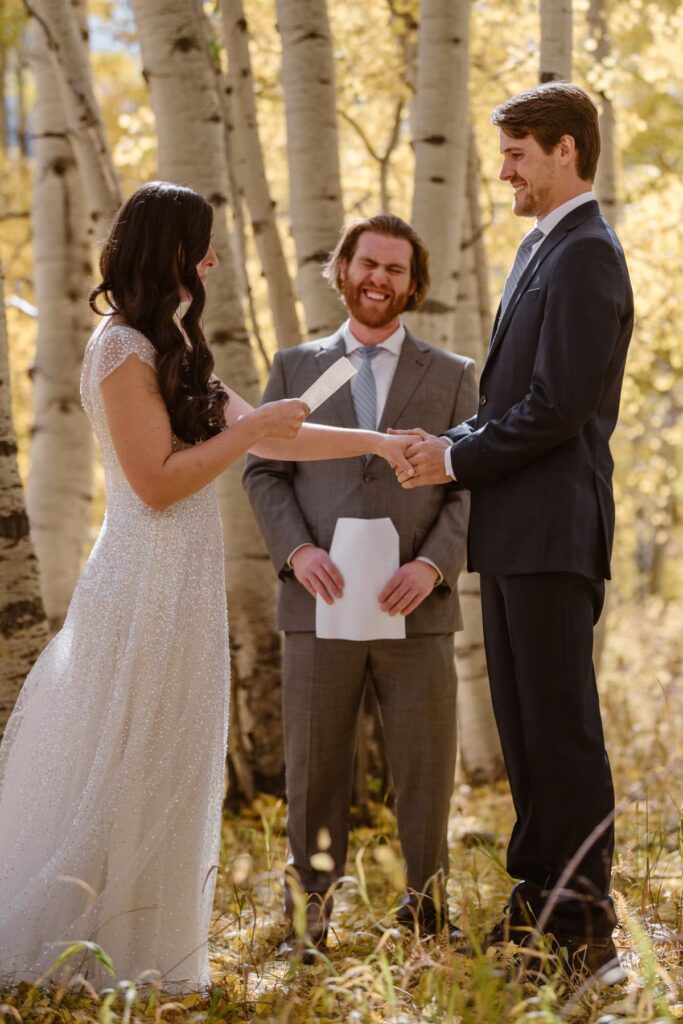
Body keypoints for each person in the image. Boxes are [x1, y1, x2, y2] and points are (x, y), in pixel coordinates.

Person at [0, 183, 414, 992]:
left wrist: (379, 442)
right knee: (127, 756)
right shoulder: (119, 349)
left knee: (175, 758)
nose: (214, 260)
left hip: (187, 582)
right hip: (141, 575)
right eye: (203, 246)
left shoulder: (175, 349)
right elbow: (155, 483)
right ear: (169, 252)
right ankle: (76, 947)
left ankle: (145, 952)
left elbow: (278, 435)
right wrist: (251, 434)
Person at [396, 83, 634, 981]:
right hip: (517, 534)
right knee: (527, 732)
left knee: (560, 732)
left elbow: (555, 409)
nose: (502, 172)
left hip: (554, 532)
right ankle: (537, 904)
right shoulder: (546, 251)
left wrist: (453, 461)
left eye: (516, 154)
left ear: (566, 149)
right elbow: (509, 407)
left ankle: (583, 931)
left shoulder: (585, 255)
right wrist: (442, 445)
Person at [243, 215, 477, 960]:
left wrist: (432, 565)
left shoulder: (451, 374)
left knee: (424, 770)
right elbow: (263, 469)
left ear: (414, 283)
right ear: (342, 269)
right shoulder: (295, 367)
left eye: (394, 269)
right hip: (318, 604)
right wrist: (296, 551)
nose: (379, 279)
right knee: (313, 772)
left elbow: (470, 486)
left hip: (417, 609)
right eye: (367, 264)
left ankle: (426, 917)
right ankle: (308, 927)